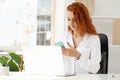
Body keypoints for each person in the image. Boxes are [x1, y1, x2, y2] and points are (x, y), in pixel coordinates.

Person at [61, 2, 101, 74]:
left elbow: (95, 68)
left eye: (75, 20)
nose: (71, 23)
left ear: (83, 19)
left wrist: (78, 55)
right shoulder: (65, 36)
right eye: (69, 19)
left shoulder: (93, 39)